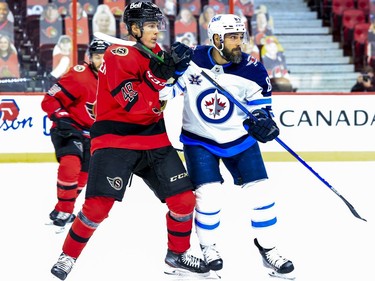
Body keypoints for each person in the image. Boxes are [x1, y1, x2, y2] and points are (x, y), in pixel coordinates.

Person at [50, 2, 209, 280]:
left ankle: (177, 255)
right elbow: (132, 103)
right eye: (149, 25)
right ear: (134, 29)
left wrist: (177, 70)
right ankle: (68, 256)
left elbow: (162, 95)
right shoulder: (116, 53)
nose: (156, 31)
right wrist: (160, 76)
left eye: (157, 25)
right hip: (115, 139)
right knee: (97, 208)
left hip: (153, 138)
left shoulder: (158, 54)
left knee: (184, 200)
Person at [159, 14, 295, 280]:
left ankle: (268, 249)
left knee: (262, 195)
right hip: (199, 140)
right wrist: (173, 71)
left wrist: (265, 123)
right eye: (232, 37)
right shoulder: (193, 60)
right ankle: (208, 247)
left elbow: (263, 110)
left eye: (240, 37)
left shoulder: (253, 69)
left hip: (240, 141)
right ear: (216, 39)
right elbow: (166, 94)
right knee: (208, 196)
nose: (238, 43)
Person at [41, 38, 110, 233]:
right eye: (98, 57)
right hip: (70, 127)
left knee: (84, 176)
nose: (102, 61)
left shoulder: (115, 80)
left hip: (94, 135)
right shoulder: (80, 75)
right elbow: (50, 99)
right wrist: (61, 116)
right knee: (71, 164)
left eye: (105, 57)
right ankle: (64, 211)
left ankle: (61, 210)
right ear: (90, 58)